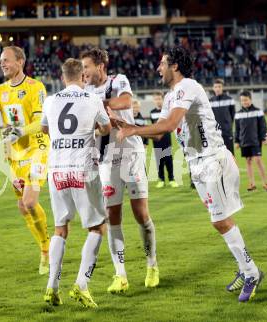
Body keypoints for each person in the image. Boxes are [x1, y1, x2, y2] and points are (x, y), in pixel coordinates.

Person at [109, 46, 263, 303]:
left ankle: (251, 272)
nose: (158, 68)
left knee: (220, 220)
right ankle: (245, 267)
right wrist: (129, 125)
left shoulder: (189, 86)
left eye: (162, 63)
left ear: (175, 66)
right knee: (219, 220)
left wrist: (134, 131)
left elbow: (169, 125)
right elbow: (160, 132)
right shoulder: (170, 97)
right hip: (197, 165)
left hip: (212, 160)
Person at [82, 48, 159, 294]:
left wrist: (99, 104)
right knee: (111, 214)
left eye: (87, 67)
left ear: (100, 66)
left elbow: (125, 101)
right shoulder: (85, 92)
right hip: (106, 160)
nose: (84, 72)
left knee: (141, 213)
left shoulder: (118, 80)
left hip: (131, 154)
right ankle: (120, 274)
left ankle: (151, 265)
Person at [41, 58, 112, 308]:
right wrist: (91, 131)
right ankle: (81, 285)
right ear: (83, 76)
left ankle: (52, 286)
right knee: (96, 228)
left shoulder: (50, 100)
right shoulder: (92, 99)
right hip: (83, 169)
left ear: (62, 78)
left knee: (60, 228)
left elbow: (45, 129)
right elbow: (106, 127)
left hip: (56, 170)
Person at [0, 46, 51, 275]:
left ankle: (48, 250)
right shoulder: (0, 91)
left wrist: (19, 131)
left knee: (29, 201)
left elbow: (41, 122)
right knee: (22, 206)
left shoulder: (35, 87)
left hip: (37, 149)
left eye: (6, 60)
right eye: (1, 61)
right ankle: (44, 247)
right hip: (14, 154)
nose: (2, 64)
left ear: (20, 61)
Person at [235, 91, 267, 191]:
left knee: (258, 160)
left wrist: (264, 138)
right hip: (244, 142)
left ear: (250, 99)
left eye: (246, 100)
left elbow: (263, 126)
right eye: (242, 100)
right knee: (248, 161)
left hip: (255, 141)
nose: (244, 102)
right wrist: (237, 141)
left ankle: (266, 183)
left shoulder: (258, 111)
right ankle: (252, 184)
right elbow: (237, 129)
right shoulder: (238, 114)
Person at [150, 92, 178, 188]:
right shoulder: (152, 112)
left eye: (159, 99)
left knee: (168, 160)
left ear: (163, 100)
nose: (158, 101)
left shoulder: (167, 111)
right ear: (154, 101)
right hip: (156, 141)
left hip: (166, 138)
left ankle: (171, 179)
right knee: (159, 161)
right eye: (156, 99)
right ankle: (161, 179)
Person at [210, 79, 236, 154]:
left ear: (222, 88)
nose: (217, 89)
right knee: (217, 155)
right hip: (215, 134)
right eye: (216, 87)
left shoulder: (230, 100)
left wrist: (228, 126)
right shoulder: (210, 101)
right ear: (213, 88)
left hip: (227, 133)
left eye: (219, 86)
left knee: (230, 155)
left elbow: (232, 115)